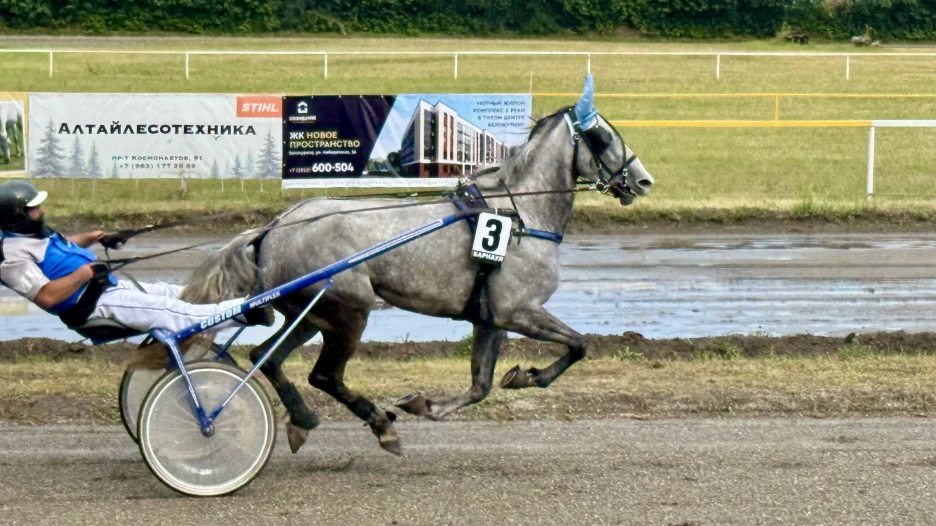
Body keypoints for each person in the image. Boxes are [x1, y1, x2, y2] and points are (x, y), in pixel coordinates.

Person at [0, 180, 271, 335]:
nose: (42, 210)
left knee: (175, 293)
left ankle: (239, 303)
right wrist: (86, 272)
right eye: (35, 208)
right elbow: (46, 296)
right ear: (18, 215)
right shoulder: (12, 258)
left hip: (105, 288)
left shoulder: (29, 233)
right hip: (94, 304)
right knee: (173, 313)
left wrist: (94, 237)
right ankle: (246, 314)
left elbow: (59, 247)